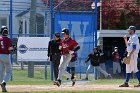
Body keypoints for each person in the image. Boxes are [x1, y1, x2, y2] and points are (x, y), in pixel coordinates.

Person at [0, 26, 13, 92]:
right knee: (9, 72)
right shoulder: (8, 39)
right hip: (5, 56)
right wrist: (13, 48)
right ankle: (3, 83)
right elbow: (10, 49)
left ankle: (2, 85)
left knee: (1, 71)